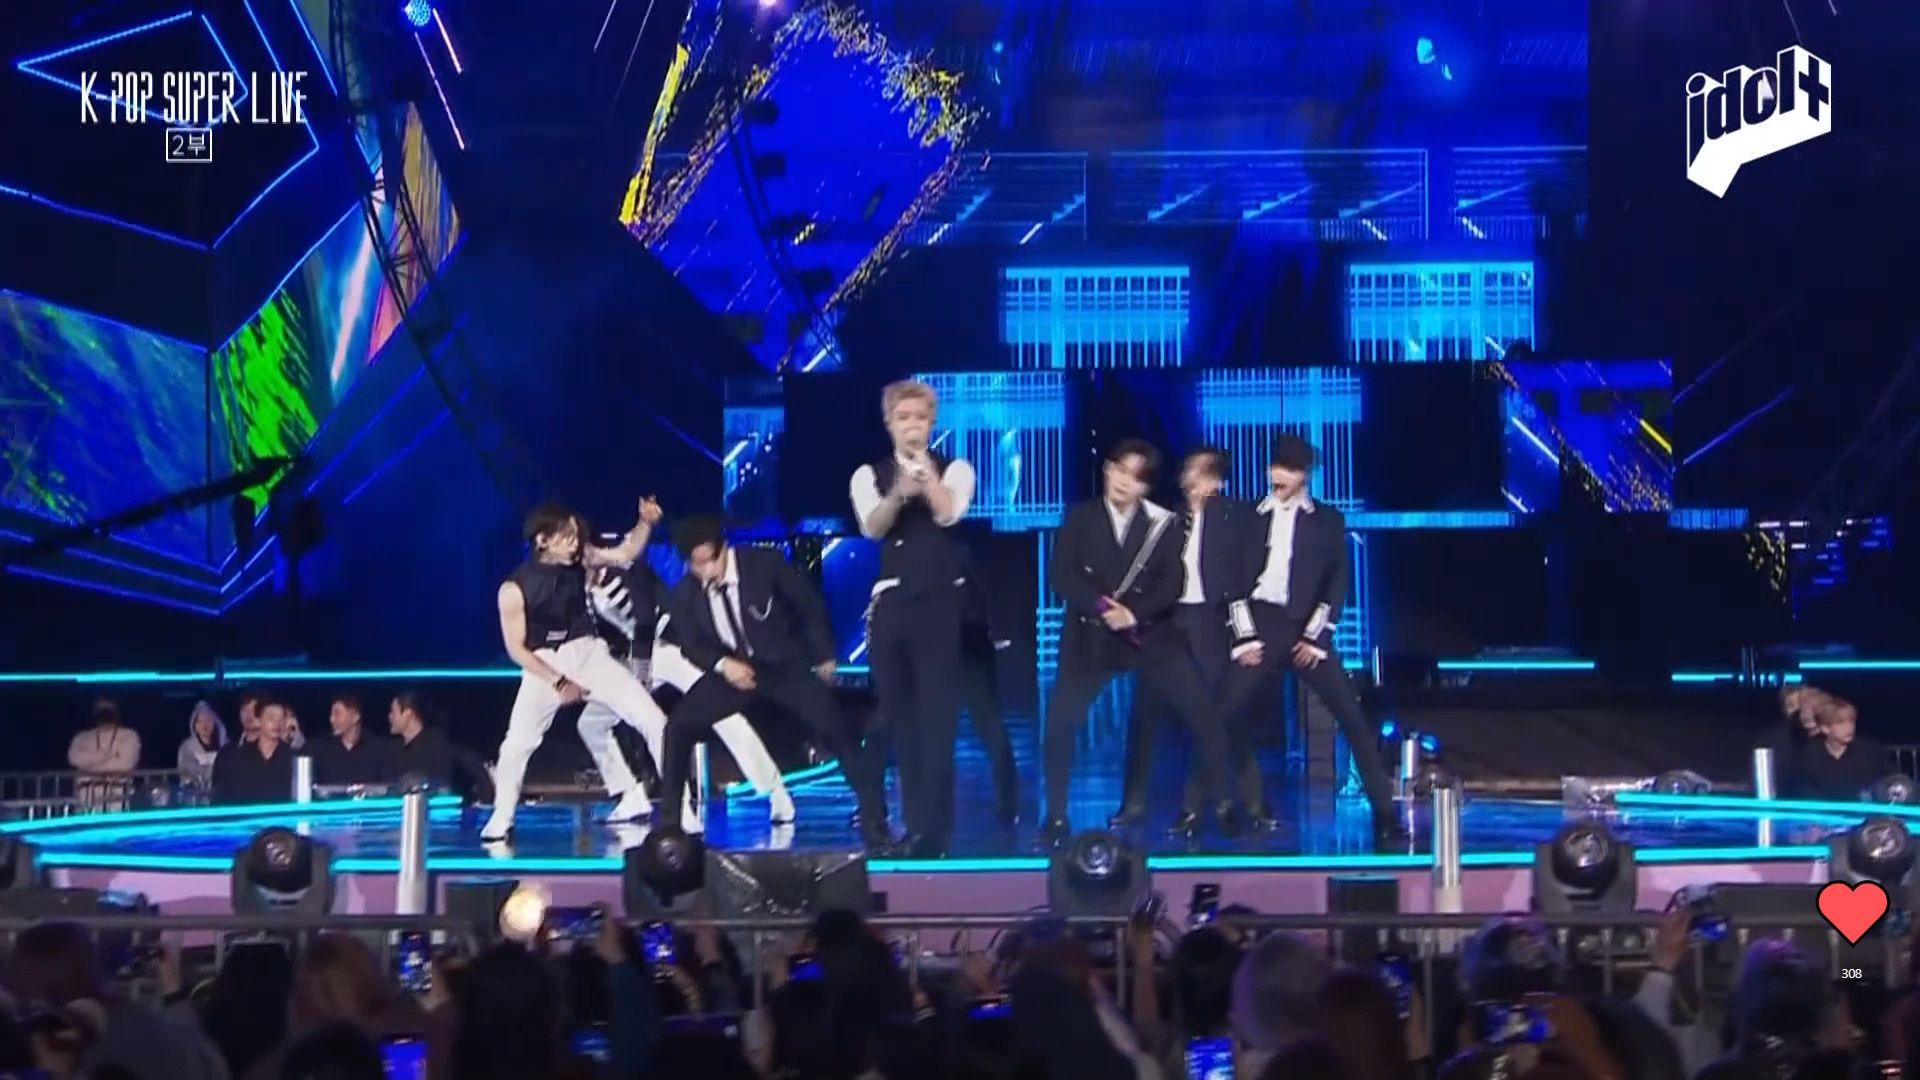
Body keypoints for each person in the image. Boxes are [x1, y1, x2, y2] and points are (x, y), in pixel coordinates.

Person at [655, 515, 892, 850]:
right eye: (697, 565)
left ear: (724, 549)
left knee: (835, 728)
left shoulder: (763, 565)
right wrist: (723, 665)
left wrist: (823, 656)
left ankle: (874, 818)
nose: (706, 571)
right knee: (678, 727)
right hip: (735, 671)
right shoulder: (684, 594)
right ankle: (669, 827)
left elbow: (807, 606)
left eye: (710, 561)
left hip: (783, 666)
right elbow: (692, 645)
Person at [1038, 439, 1222, 846]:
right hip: (1091, 635)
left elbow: (1172, 583)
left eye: (1136, 477)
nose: (1124, 482)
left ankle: (1204, 810)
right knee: (1059, 726)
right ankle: (1055, 817)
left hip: (1148, 634)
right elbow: (1062, 576)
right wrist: (1105, 608)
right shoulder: (1080, 518)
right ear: (1107, 469)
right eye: (1120, 470)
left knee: (1204, 714)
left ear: (1146, 487)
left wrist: (1134, 613)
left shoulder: (1162, 525)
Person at [1221, 433, 1398, 847]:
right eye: (1274, 467)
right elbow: (1232, 582)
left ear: (1305, 474)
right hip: (1261, 624)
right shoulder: (1247, 518)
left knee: (1352, 718)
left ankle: (1386, 814)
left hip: (1306, 627)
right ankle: (1247, 805)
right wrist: (1244, 637)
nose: (1277, 475)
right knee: (1225, 713)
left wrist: (1316, 638)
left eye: (1287, 469)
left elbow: (1336, 583)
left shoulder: (1328, 520)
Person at [485, 500, 666, 841]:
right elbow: (517, 650)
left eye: (575, 535)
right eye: (566, 536)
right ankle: (501, 816)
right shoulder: (513, 589)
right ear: (543, 540)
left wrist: (645, 523)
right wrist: (558, 681)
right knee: (517, 744)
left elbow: (626, 552)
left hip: (588, 652)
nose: (574, 542)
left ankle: (678, 810)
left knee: (652, 718)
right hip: (544, 663)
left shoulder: (583, 558)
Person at [849, 379, 977, 858]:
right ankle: (915, 826)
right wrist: (899, 494)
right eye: (903, 418)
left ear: (932, 423)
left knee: (937, 720)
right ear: (889, 423)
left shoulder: (957, 468)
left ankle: (935, 830)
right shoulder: (868, 474)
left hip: (939, 607)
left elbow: (948, 515)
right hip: (892, 610)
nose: (912, 426)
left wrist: (928, 481)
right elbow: (872, 527)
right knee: (902, 722)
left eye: (920, 418)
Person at [586, 560, 793, 830]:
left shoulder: (627, 569)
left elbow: (646, 620)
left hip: (673, 647)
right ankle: (630, 795)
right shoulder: (582, 589)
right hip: (638, 659)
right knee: (592, 722)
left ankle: (775, 792)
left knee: (724, 715)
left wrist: (641, 672)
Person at [1114, 446, 1255, 837]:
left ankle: (1214, 805)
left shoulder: (1233, 516)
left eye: (1199, 472)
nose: (1190, 478)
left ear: (1216, 480)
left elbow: (1241, 575)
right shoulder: (1171, 518)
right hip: (1167, 621)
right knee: (1144, 711)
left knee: (1210, 715)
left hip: (1209, 620)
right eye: (1188, 471)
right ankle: (1133, 802)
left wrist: (1244, 633)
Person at [956, 548, 1019, 826]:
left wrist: (994, 631)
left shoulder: (958, 550)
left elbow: (982, 592)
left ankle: (1008, 802)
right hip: (935, 645)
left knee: (989, 725)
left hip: (968, 644)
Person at [388, 691, 493, 799]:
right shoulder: (396, 752)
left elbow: (479, 773)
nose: (390, 717)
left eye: (393, 712)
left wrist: (484, 806)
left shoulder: (443, 744)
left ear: (408, 714)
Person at [1798, 696, 1891, 800]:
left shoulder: (1870, 750)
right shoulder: (1809, 755)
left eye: (1851, 722)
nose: (1849, 728)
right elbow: (1804, 790)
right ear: (1825, 728)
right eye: (1841, 723)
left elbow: (1892, 781)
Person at [212, 697, 297, 804]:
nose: (277, 724)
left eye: (281, 719)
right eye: (271, 718)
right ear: (258, 720)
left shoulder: (294, 758)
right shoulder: (236, 758)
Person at [307, 693, 393, 787]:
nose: (332, 719)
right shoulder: (319, 748)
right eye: (331, 714)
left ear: (356, 716)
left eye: (337, 714)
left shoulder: (378, 748)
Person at [69, 698, 140, 809]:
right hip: (86, 794)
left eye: (108, 711)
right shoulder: (82, 737)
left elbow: (126, 764)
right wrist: (107, 755)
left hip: (118, 793)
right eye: (102, 711)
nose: (105, 715)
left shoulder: (129, 735)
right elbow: (74, 759)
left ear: (117, 713)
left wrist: (88, 767)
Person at [175, 700, 228, 794]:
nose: (205, 725)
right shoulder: (188, 747)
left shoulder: (225, 745)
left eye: (208, 720)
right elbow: (188, 772)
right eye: (200, 721)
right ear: (194, 725)